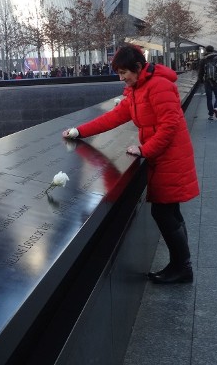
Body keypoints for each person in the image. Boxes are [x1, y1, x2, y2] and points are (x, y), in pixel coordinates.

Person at [63, 45, 199, 284]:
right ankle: (181, 265)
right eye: (119, 73)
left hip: (170, 156)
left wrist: (144, 149)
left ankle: (182, 267)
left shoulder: (159, 86)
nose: (121, 78)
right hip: (162, 157)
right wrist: (79, 131)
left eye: (124, 72)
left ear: (138, 67)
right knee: (170, 212)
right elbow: (114, 117)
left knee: (165, 212)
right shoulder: (138, 89)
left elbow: (170, 127)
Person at [197, 45, 217, 120]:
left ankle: (210, 114)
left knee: (209, 98)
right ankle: (216, 108)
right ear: (213, 50)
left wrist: (200, 80)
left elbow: (201, 71)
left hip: (207, 81)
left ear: (206, 51)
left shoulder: (203, 60)